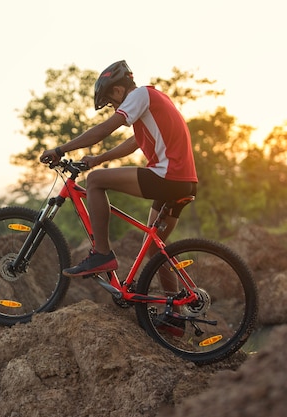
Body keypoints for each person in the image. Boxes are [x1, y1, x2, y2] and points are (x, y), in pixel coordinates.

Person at [40, 60, 198, 281]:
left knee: (94, 181)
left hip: (166, 176)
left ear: (118, 89)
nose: (113, 108)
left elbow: (104, 130)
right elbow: (134, 142)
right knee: (156, 251)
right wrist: (98, 158)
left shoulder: (139, 95)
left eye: (110, 102)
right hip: (184, 181)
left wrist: (60, 149)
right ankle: (175, 311)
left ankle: (102, 253)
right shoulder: (154, 99)